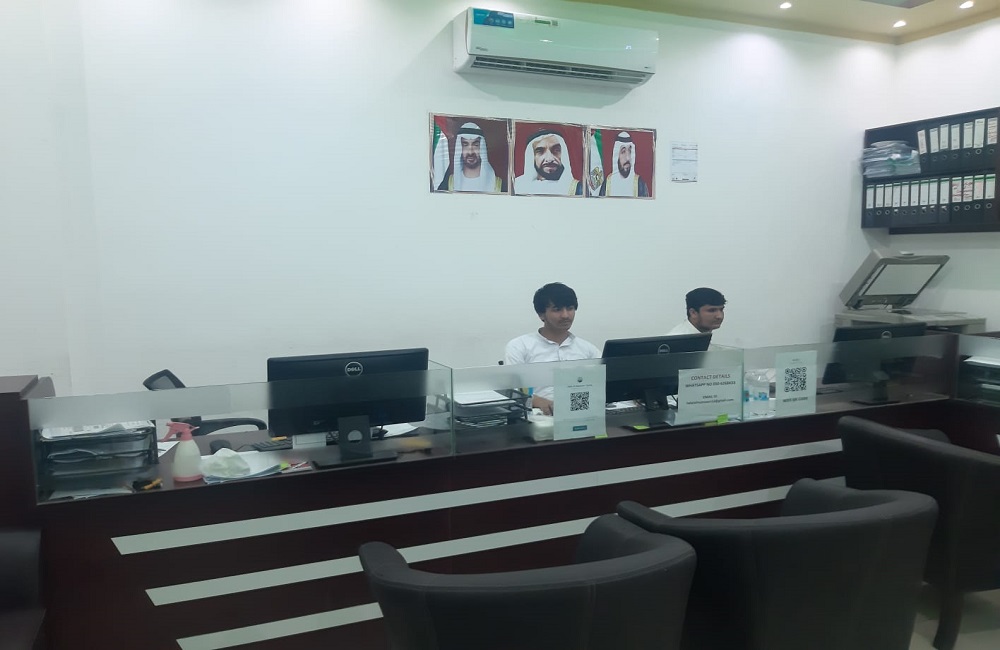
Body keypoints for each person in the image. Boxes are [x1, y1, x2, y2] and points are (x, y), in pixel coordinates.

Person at [505, 282, 599, 415]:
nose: (565, 315)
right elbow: (513, 392)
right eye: (557, 309)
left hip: (581, 415)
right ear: (541, 314)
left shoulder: (588, 349)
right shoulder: (519, 346)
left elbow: (601, 385)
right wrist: (539, 402)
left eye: (570, 308)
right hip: (537, 418)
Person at [437, 122, 504, 193]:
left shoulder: (498, 186)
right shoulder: (447, 186)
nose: (470, 152)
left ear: (482, 148)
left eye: (475, 145)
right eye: (465, 145)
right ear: (460, 148)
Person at [513, 129, 583, 196]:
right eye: (540, 151)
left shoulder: (577, 189)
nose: (549, 159)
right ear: (532, 157)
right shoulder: (517, 186)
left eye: (556, 150)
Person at [599, 131, 650, 197]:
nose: (627, 158)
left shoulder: (640, 184)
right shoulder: (607, 184)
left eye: (629, 151)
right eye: (623, 152)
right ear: (616, 156)